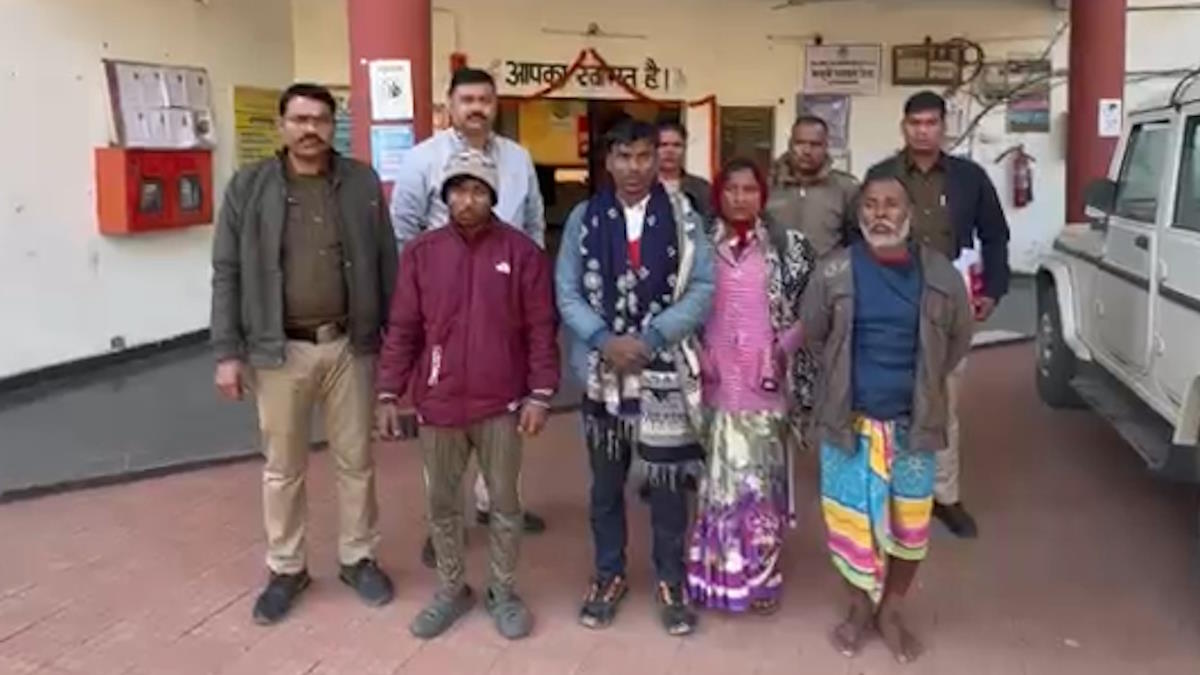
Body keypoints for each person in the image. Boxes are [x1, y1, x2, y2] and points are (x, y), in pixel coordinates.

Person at [210, 83, 397, 625]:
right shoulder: (249, 187)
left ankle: (358, 558)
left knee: (356, 461)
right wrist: (227, 352)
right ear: (282, 126)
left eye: (320, 119)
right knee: (283, 467)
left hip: (349, 345)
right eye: (299, 119)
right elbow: (227, 271)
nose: (309, 129)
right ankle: (286, 567)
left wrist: (394, 347)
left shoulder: (360, 182)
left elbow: (386, 261)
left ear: (333, 126)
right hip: (278, 349)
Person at [375, 150, 559, 640]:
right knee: (442, 503)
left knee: (504, 503)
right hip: (439, 403)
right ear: (445, 195)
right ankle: (451, 588)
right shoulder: (422, 253)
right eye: (458, 190)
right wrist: (389, 392)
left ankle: (503, 590)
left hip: (501, 403)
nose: (467, 200)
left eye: (478, 190)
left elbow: (541, 329)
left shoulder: (521, 253)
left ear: (493, 196)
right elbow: (404, 328)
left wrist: (540, 394)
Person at [800, 173, 972, 664]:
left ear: (909, 214)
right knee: (849, 522)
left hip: (913, 426)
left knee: (910, 526)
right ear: (859, 215)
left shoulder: (940, 274)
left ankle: (891, 610)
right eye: (871, 204)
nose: (880, 213)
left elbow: (958, 338)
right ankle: (859, 607)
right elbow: (814, 332)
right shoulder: (834, 271)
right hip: (848, 423)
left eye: (891, 204)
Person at [556, 118, 715, 637]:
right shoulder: (584, 218)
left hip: (662, 370)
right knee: (605, 486)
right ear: (608, 161)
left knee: (668, 486)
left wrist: (651, 338)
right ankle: (609, 575)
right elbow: (566, 290)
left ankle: (671, 580)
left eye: (644, 156)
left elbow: (703, 287)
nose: (634, 167)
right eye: (623, 156)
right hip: (602, 374)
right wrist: (603, 339)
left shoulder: (684, 218)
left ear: (659, 159)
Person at [390, 67, 549, 566]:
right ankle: (446, 524)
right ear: (450, 105)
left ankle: (492, 504)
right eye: (467, 99)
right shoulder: (422, 159)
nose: (477, 107)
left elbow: (534, 223)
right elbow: (404, 228)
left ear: (495, 105)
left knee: (501, 414)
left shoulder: (518, 158)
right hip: (443, 309)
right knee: (445, 425)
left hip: (504, 300)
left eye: (485, 99)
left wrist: (526, 280)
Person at [864, 90, 1011, 539]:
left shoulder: (969, 178)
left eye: (931, 123)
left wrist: (994, 290)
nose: (923, 131)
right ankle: (891, 491)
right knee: (889, 398)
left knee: (943, 400)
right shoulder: (881, 175)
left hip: (948, 303)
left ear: (944, 127)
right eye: (915, 123)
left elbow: (995, 235)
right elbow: (859, 235)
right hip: (890, 301)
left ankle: (944, 496)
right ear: (903, 127)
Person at [685, 158, 815, 615]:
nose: (740, 198)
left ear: (763, 195)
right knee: (718, 483)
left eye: (749, 189)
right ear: (718, 194)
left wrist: (781, 350)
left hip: (766, 383)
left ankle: (760, 577)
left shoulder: (790, 247)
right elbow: (678, 304)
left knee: (759, 483)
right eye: (731, 189)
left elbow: (814, 309)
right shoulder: (697, 246)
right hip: (717, 380)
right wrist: (697, 352)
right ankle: (717, 575)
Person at [766, 115, 859, 258]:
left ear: (826, 147)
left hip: (830, 271)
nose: (807, 151)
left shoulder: (846, 188)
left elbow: (857, 241)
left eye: (815, 144)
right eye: (800, 143)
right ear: (790, 144)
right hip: (777, 270)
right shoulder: (769, 185)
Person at [657, 120, 713, 225]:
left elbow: (710, 226)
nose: (670, 151)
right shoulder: (641, 187)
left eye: (676, 145)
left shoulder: (701, 188)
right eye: (663, 145)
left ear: (684, 148)